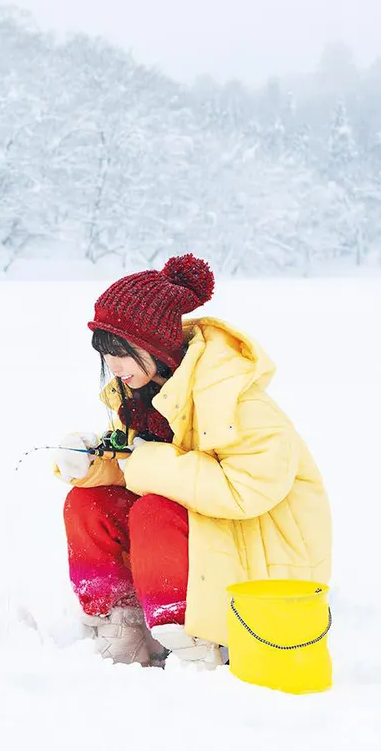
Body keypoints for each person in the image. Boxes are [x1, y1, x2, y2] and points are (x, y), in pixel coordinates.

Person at [52, 253, 332, 669]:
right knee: (86, 503)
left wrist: (146, 462)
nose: (113, 367)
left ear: (152, 344)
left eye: (121, 352)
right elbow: (144, 466)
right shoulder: (143, 394)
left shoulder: (236, 398)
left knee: (153, 512)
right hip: (194, 534)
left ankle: (190, 642)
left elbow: (246, 491)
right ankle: (121, 622)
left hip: (261, 544)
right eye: (105, 355)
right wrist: (95, 465)